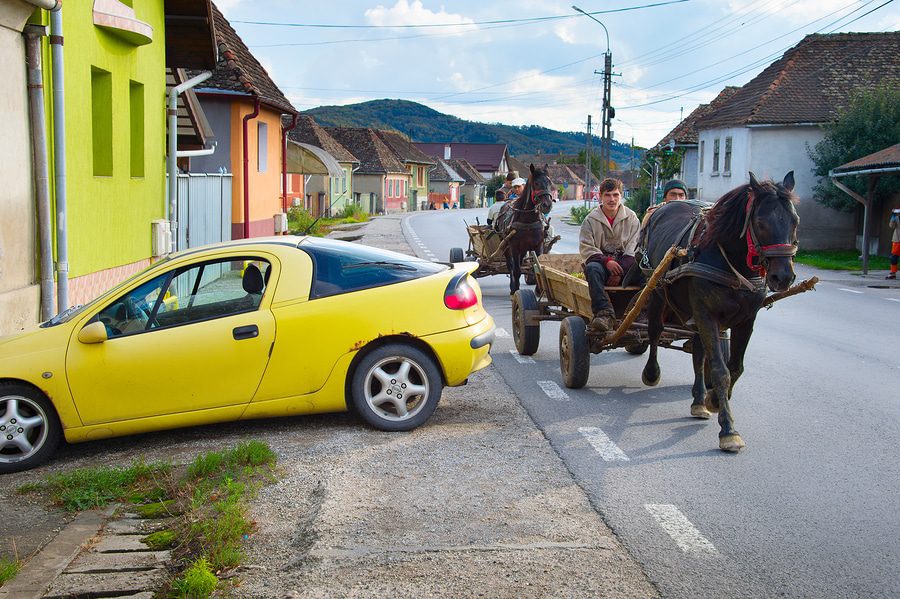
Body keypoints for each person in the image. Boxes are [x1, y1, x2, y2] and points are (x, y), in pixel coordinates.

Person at [579, 177, 641, 333]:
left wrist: (620, 273)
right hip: (602, 265)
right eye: (607, 195)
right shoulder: (591, 220)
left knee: (647, 273)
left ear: (621, 196)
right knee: (592, 269)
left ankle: (641, 311)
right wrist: (607, 262)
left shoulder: (631, 218)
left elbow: (634, 247)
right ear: (600, 196)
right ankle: (604, 313)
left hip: (626, 265)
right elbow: (587, 248)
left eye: (615, 195)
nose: (612, 199)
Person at [888, 208, 899, 279]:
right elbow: (891, 226)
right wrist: (893, 217)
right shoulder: (897, 218)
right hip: (897, 239)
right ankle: (893, 272)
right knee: (894, 257)